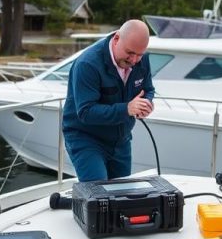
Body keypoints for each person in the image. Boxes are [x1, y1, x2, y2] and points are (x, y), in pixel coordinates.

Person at [62, 19, 156, 181]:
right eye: (130, 53)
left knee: (122, 195)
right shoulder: (88, 64)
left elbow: (147, 89)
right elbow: (85, 112)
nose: (134, 60)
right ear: (117, 39)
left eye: (139, 55)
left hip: (121, 140)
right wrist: (127, 109)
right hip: (86, 139)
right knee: (98, 193)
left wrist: (146, 103)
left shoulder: (142, 59)